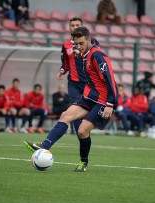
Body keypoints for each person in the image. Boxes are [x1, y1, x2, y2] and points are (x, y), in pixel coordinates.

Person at [24, 26, 118, 172]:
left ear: (88, 40)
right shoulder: (84, 54)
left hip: (103, 100)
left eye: (81, 43)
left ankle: (83, 162)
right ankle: (44, 146)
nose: (79, 47)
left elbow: (110, 79)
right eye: (77, 44)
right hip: (89, 97)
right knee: (65, 115)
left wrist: (110, 103)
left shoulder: (98, 56)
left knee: (81, 131)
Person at [58, 17, 99, 135]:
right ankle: (79, 135)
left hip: (89, 83)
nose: (75, 27)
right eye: (72, 25)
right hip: (74, 83)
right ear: (69, 28)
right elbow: (65, 62)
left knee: (86, 110)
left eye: (77, 25)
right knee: (75, 107)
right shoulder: (66, 45)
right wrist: (62, 71)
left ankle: (84, 132)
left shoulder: (92, 41)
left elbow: (97, 57)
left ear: (82, 26)